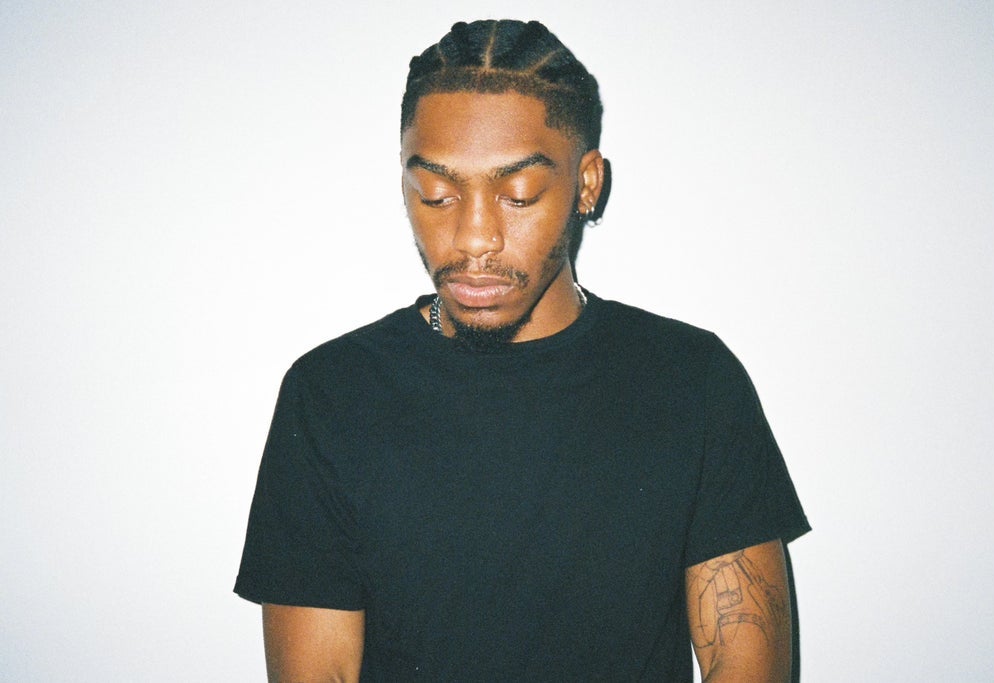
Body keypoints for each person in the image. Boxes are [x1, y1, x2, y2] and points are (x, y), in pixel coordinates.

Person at [235, 19, 809, 682]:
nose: (473, 236)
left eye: (518, 195)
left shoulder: (691, 380)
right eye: (437, 195)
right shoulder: (332, 393)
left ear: (587, 183)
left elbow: (745, 661)